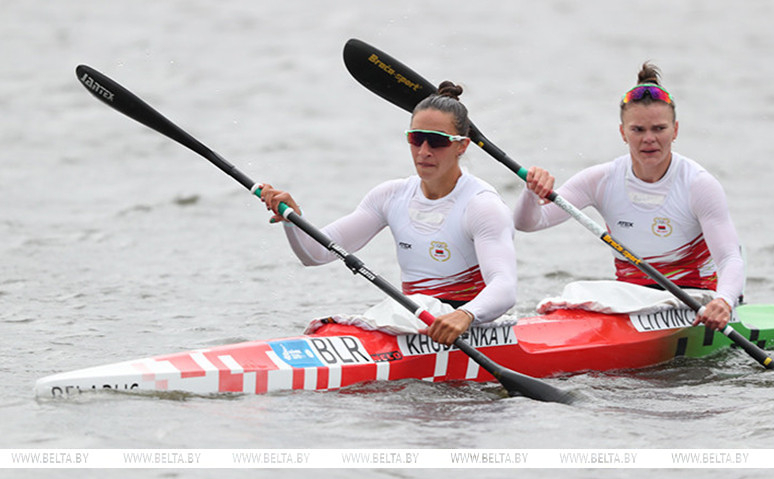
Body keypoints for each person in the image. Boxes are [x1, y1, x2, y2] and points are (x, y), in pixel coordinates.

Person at [260, 82, 517, 345]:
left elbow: (505, 286)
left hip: (473, 327)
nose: (424, 151)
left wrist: (466, 314)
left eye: (438, 141)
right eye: (416, 139)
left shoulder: (482, 205)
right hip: (416, 320)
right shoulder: (390, 196)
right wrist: (292, 219)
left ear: (462, 146)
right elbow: (316, 254)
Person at [514, 62, 744, 331]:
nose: (649, 139)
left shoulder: (699, 184)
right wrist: (531, 192)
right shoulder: (600, 180)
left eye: (659, 129)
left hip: (694, 300)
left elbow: (730, 258)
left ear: (675, 130)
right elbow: (529, 223)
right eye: (638, 130)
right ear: (623, 132)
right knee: (574, 290)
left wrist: (724, 301)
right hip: (631, 300)